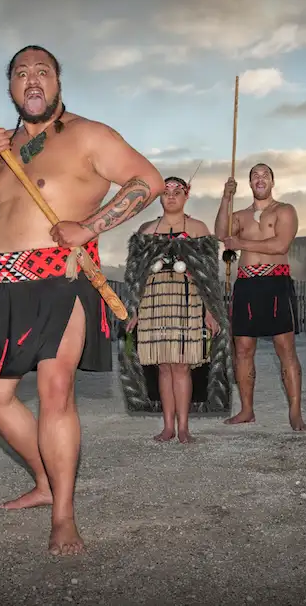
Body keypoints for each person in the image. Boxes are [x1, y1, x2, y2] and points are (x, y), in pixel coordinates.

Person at [0, 44, 164, 556]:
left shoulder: (87, 135)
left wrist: (90, 226)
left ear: (57, 83)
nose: (33, 80)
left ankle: (64, 515)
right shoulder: (2, 149)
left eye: (43, 72)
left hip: (64, 281)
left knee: (55, 392)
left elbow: (149, 181)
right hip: (10, 287)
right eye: (21, 74)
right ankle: (45, 479)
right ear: (11, 88)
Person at [120, 176, 227, 444]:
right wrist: (133, 310)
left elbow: (210, 276)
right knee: (164, 366)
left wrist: (211, 311)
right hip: (153, 301)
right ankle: (167, 426)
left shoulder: (198, 229)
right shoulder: (146, 230)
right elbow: (134, 276)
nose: (171, 196)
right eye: (166, 191)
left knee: (182, 366)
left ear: (186, 195)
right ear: (159, 197)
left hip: (188, 299)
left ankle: (184, 427)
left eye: (177, 191)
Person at [214, 163, 306, 431]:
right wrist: (226, 198)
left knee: (285, 347)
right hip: (245, 285)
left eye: (264, 174)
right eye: (254, 175)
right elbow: (222, 233)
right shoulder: (241, 215)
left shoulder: (284, 210)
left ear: (273, 181)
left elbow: (280, 245)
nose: (260, 178)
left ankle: (295, 412)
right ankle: (246, 410)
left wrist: (240, 243)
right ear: (249, 183)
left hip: (275, 282)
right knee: (242, 349)